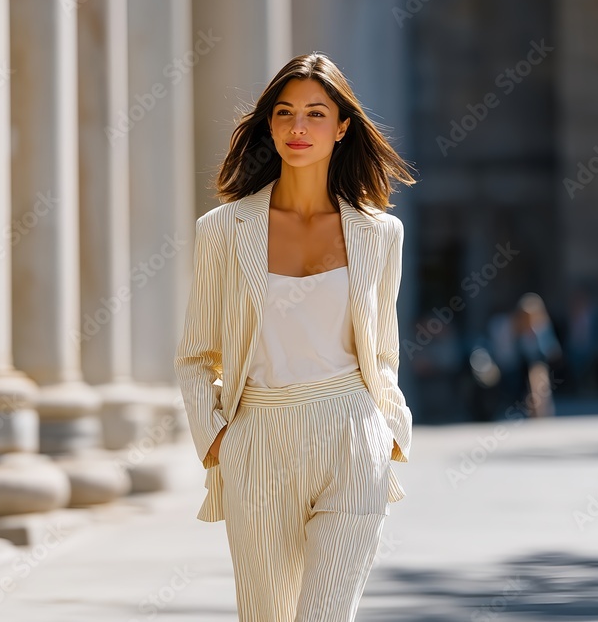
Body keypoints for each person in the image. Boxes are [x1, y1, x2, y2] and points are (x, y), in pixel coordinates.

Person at [174, 53, 416, 621]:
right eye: (284, 113)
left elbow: (382, 350)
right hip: (259, 439)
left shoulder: (380, 233)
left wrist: (388, 429)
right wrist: (217, 438)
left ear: (342, 127)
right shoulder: (222, 231)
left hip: (352, 434)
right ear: (269, 125)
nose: (298, 127)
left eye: (315, 113)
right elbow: (195, 355)